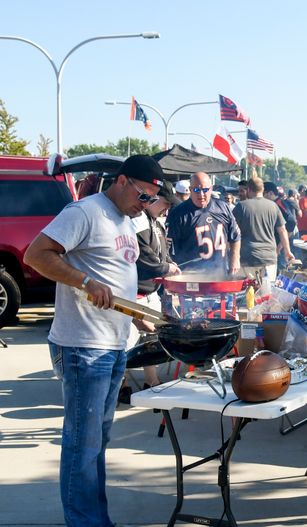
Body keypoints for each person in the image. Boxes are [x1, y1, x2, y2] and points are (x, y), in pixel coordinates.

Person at [23, 155, 164, 527]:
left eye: (151, 199)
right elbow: (36, 255)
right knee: (81, 447)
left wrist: (137, 315)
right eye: (143, 195)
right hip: (84, 345)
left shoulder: (125, 219)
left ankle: (95, 519)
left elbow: (114, 277)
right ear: (121, 181)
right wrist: (84, 282)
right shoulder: (85, 212)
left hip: (114, 343)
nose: (145, 205)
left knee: (96, 444)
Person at [118, 181, 182, 404]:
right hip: (133, 294)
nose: (167, 208)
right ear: (153, 199)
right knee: (125, 343)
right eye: (165, 202)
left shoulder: (156, 223)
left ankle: (151, 381)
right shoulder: (136, 222)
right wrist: (166, 269)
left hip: (150, 291)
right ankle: (121, 386)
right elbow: (144, 259)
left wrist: (170, 264)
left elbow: (162, 253)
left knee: (151, 338)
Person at [166, 171, 241, 275]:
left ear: (211, 189)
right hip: (191, 275)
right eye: (196, 190)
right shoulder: (178, 213)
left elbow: (235, 236)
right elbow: (167, 246)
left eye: (205, 190)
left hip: (220, 272)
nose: (201, 194)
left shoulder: (223, 208)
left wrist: (235, 258)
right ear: (190, 190)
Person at [232, 177, 293, 283]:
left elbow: (232, 232)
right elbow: (283, 230)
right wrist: (287, 251)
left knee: (246, 296)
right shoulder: (273, 206)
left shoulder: (241, 206)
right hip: (269, 259)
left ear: (249, 190)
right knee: (266, 295)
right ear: (262, 190)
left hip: (247, 258)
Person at [263, 181, 299, 268]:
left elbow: (292, 222)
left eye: (263, 194)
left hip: (281, 245)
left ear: (270, 193)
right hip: (275, 243)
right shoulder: (273, 204)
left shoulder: (278, 203)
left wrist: (280, 246)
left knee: (280, 269)